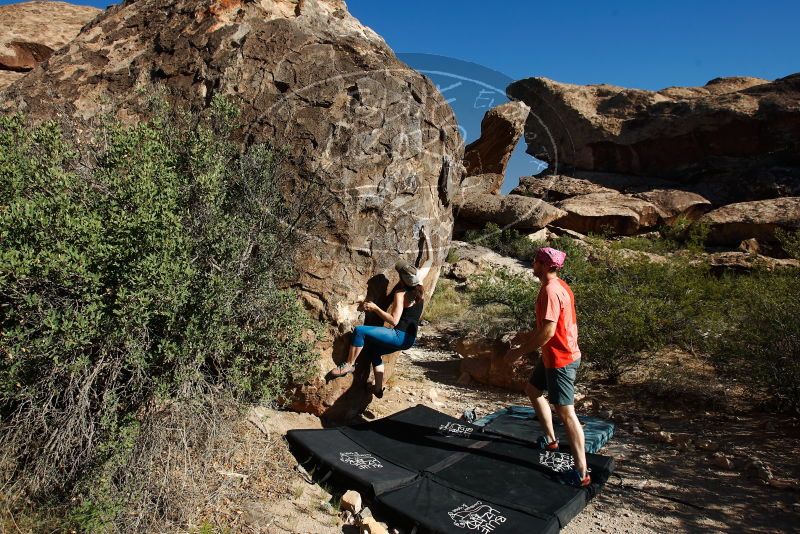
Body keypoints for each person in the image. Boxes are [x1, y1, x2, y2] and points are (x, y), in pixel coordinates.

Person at [505, 246, 589, 487]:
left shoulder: (551, 291)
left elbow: (549, 332)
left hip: (561, 359)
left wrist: (519, 351)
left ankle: (582, 472)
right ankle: (551, 440)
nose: (533, 264)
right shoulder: (559, 286)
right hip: (554, 354)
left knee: (567, 413)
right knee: (533, 390)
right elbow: (551, 327)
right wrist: (525, 335)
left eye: (535, 261)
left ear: (543, 264)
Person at [330, 227, 433, 399]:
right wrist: (427, 238)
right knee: (374, 352)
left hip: (398, 335)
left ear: (401, 279)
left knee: (361, 331)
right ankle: (378, 389)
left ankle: (349, 364)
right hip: (409, 340)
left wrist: (376, 308)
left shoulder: (401, 295)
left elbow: (394, 320)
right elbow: (430, 259)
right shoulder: (420, 283)